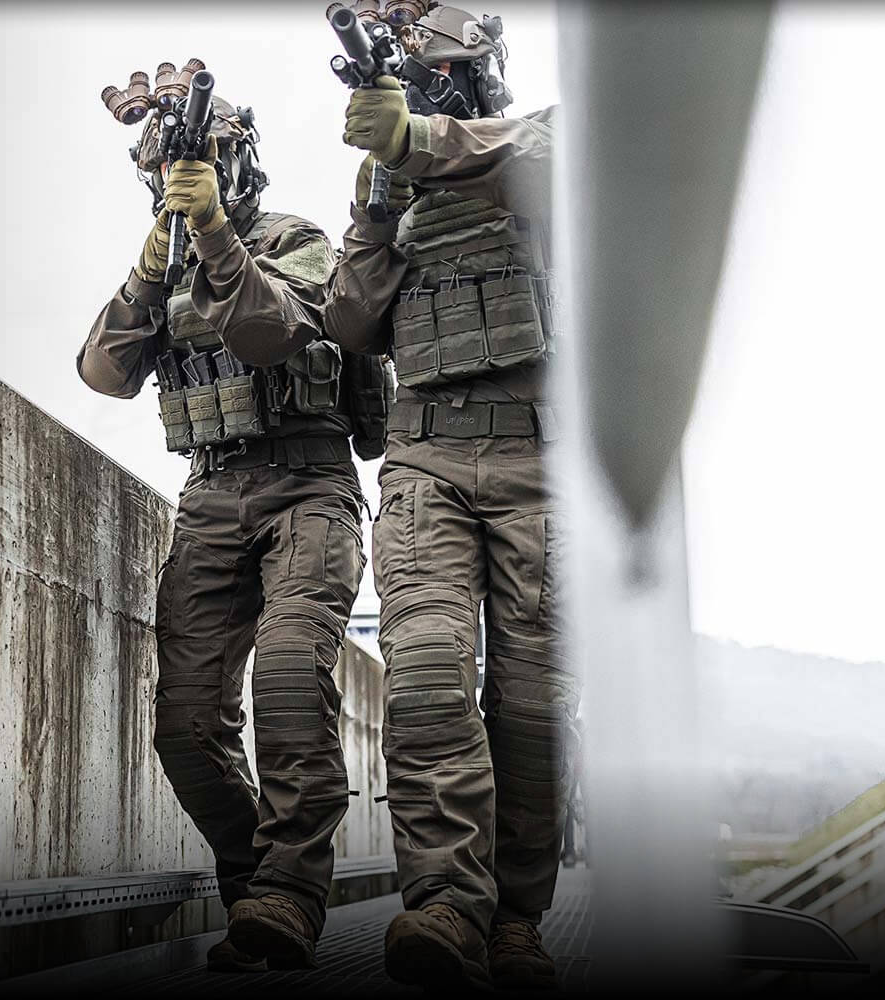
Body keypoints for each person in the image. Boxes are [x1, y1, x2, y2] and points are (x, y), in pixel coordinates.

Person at [244, 2, 571, 989]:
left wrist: (417, 139)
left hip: (535, 463)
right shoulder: (388, 176)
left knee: (530, 707)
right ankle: (445, 907)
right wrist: (378, 200)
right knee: (427, 676)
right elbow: (348, 319)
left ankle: (517, 916)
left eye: (438, 65)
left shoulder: (538, 134)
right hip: (426, 461)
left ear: (479, 66)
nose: (423, 83)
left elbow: (545, 167)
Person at [78, 62, 391, 972]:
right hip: (211, 496)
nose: (196, 177)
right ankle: (257, 884)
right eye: (185, 171)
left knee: (291, 677)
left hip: (310, 486)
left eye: (212, 162)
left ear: (238, 163)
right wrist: (150, 263)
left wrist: (215, 230)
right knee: (184, 724)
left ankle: (293, 897)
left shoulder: (298, 239)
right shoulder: (164, 259)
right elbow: (104, 370)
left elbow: (271, 331)